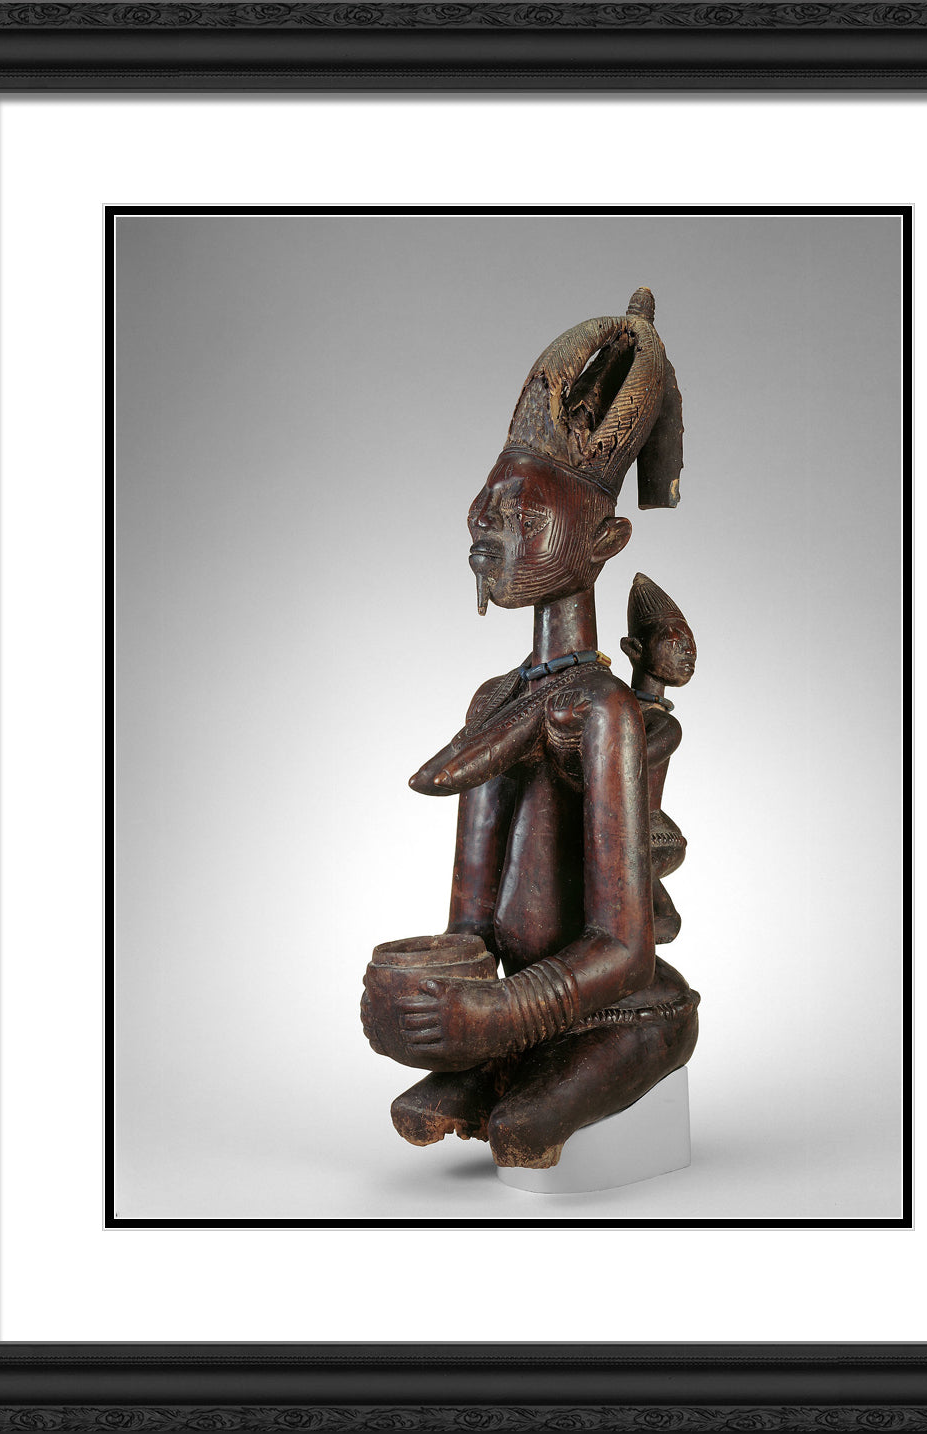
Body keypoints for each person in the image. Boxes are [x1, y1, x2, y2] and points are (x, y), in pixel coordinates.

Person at [362, 287, 699, 1170]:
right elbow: (471, 916)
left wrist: (504, 1015)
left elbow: (623, 951)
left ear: (604, 541)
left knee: (519, 1129)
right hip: (520, 1000)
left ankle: (531, 1070)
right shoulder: (493, 702)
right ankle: (502, 1063)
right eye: (487, 513)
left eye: (526, 520)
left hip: (623, 1008)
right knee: (435, 1091)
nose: (491, 536)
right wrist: (445, 994)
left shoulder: (605, 711)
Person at [620, 573, 698, 944]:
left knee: (661, 920)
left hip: (647, 836)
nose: (688, 652)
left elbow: (624, 766)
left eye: (691, 644)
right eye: (675, 642)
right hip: (624, 830)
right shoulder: (626, 711)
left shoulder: (664, 725)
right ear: (634, 649)